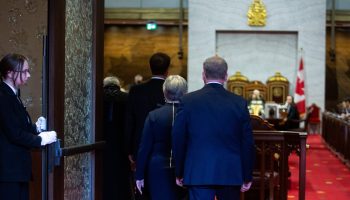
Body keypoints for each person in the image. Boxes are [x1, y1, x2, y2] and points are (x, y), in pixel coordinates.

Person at [172, 56, 255, 200]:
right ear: (226, 76)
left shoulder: (188, 101)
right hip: (230, 173)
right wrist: (247, 175)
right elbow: (247, 143)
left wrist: (179, 171)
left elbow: (178, 139)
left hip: (198, 172)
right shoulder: (239, 103)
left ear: (203, 75)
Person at [0, 53, 57, 200]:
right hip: (8, 171)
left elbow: (19, 125)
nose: (29, 75)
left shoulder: (13, 93)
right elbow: (14, 133)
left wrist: (35, 128)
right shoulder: (3, 96)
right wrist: (40, 140)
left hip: (15, 170)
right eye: (24, 71)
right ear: (9, 73)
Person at [124, 52, 170, 198]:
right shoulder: (171, 90)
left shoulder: (136, 90)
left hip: (139, 144)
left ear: (150, 68)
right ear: (167, 70)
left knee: (142, 189)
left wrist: (129, 150)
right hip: (166, 148)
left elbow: (129, 121)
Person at [135, 75, 188, 200]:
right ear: (185, 92)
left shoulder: (154, 115)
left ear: (164, 92)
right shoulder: (191, 115)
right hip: (185, 167)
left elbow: (144, 147)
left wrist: (139, 175)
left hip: (157, 168)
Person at [102, 76, 132, 200]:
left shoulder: (96, 97)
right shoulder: (127, 98)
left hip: (101, 144)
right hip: (122, 144)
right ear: (118, 86)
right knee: (121, 177)